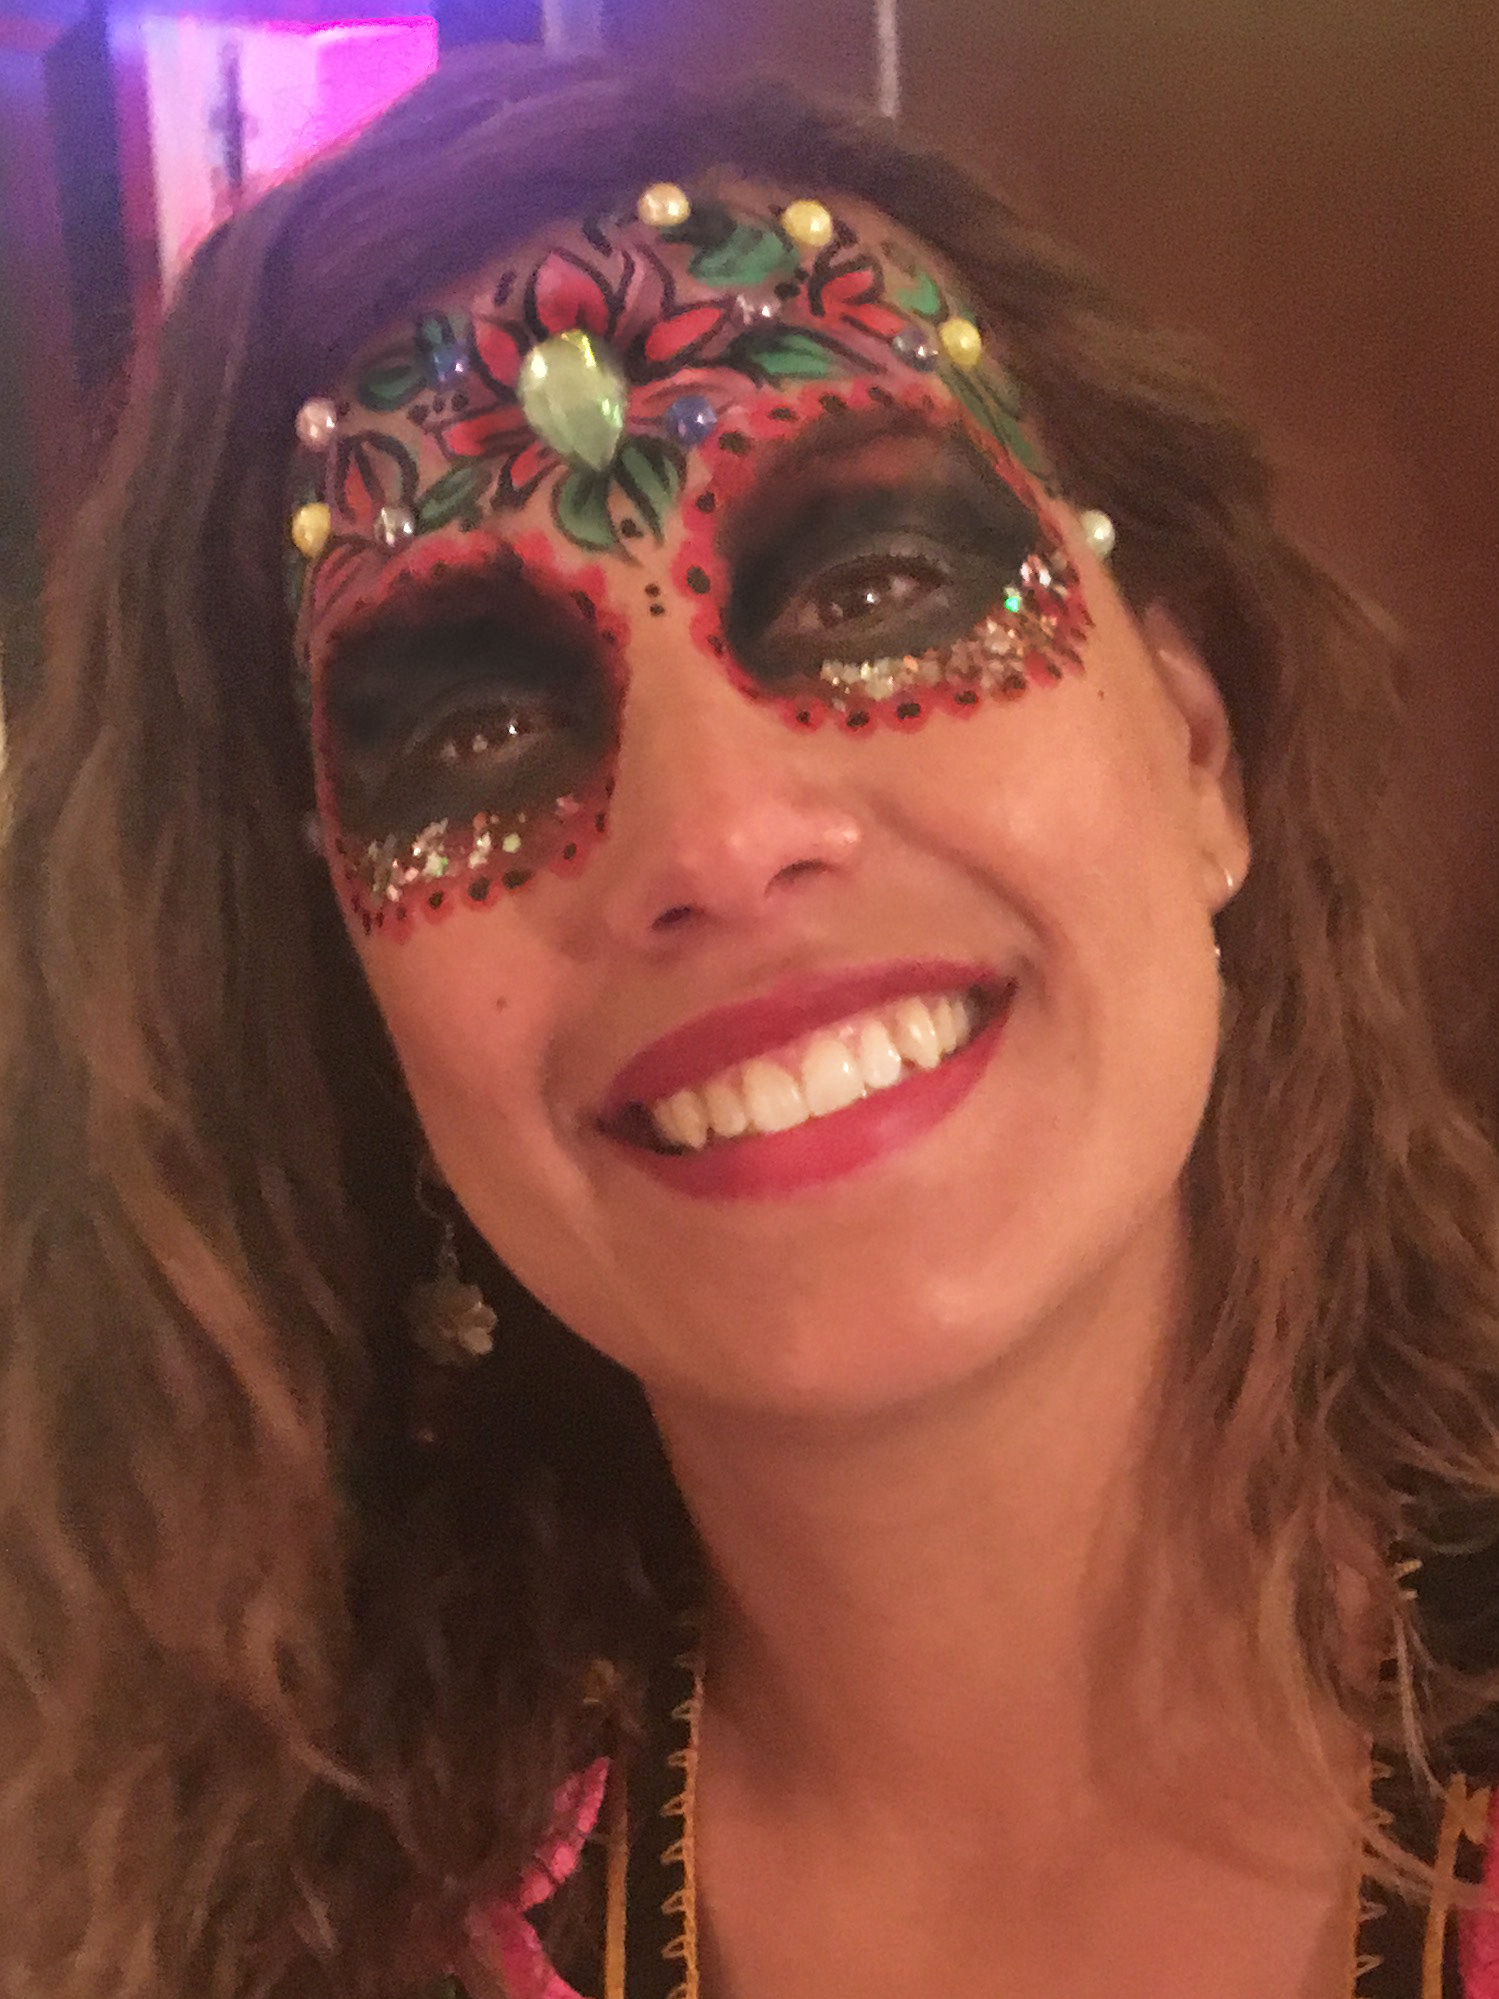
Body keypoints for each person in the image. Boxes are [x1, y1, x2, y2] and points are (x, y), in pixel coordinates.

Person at [4, 46, 1499, 1999]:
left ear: (1196, 748)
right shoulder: (244, 1934)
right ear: (354, 996)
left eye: (874, 585)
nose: (713, 836)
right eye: (476, 726)